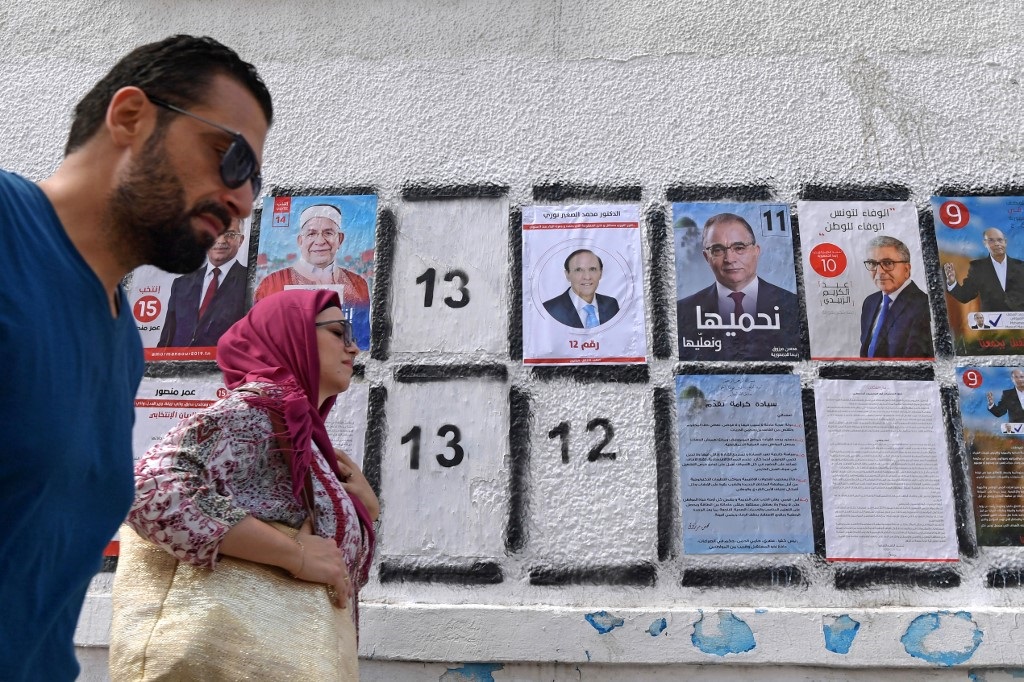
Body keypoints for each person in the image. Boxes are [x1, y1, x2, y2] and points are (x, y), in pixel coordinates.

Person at [0, 35, 272, 680]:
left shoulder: (122, 340)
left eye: (256, 182)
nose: (240, 198)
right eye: (229, 157)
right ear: (130, 117)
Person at [117, 289, 377, 677]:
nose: (353, 349)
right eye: (339, 332)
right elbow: (150, 488)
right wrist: (294, 554)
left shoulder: (304, 438)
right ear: (292, 335)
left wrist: (366, 511)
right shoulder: (258, 411)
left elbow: (334, 577)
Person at [676, 212, 799, 360]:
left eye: (739, 247)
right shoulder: (683, 312)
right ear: (706, 257)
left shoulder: (793, 306)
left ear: (756, 251)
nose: (729, 259)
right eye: (718, 250)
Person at [254, 203, 370, 307]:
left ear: (340, 239)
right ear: (300, 241)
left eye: (328, 233)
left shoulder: (358, 285)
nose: (320, 241)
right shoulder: (271, 284)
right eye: (311, 234)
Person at [157, 221, 248, 347]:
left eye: (230, 234)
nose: (221, 240)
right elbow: (167, 338)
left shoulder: (249, 282)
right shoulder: (181, 284)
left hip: (221, 365)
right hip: (177, 364)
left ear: (241, 240)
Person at [859, 236, 934, 359]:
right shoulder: (870, 302)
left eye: (888, 263)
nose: (879, 271)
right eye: (872, 263)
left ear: (906, 269)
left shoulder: (924, 306)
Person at [944, 228, 1024, 311]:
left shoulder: (1021, 266)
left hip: (1019, 321)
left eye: (1000, 240)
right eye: (991, 240)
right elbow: (965, 296)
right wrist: (952, 282)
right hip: (991, 322)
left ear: (1005, 242)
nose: (997, 243)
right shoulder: (978, 268)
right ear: (985, 243)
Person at [543, 249, 620, 328]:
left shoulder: (611, 305)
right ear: (567, 275)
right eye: (578, 270)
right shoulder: (549, 310)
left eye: (592, 269)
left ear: (600, 273)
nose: (587, 277)